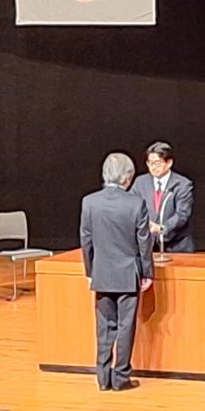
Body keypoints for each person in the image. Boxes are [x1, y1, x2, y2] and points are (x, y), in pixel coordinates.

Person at [81, 152, 154, 392]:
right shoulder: (136, 203)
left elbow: (86, 240)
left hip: (102, 273)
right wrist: (147, 273)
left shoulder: (89, 202)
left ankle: (103, 378)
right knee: (125, 326)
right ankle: (121, 378)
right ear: (128, 177)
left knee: (104, 327)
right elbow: (144, 242)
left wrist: (90, 271)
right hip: (128, 275)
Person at [130, 141, 195, 253]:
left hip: (176, 246)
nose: (153, 167)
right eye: (150, 163)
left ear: (169, 163)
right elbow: (130, 206)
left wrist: (161, 228)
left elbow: (182, 215)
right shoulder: (140, 182)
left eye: (157, 163)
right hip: (148, 245)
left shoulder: (182, 185)